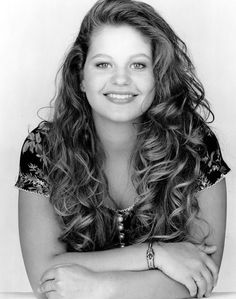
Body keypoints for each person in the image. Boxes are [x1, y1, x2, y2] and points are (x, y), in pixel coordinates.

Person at [15, 0, 230, 298]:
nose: (120, 79)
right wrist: (156, 255)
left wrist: (100, 287)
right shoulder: (43, 148)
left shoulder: (195, 144)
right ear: (80, 77)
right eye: (104, 64)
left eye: (138, 65)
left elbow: (202, 277)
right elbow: (44, 275)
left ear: (158, 76)